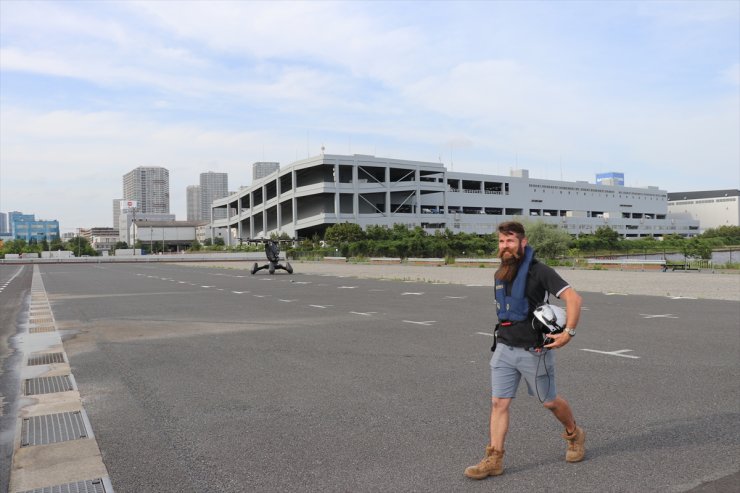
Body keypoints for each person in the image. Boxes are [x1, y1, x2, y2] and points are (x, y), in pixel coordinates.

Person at [464, 221, 585, 480]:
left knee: (550, 402)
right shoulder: (502, 272)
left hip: (534, 351)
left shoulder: (539, 271)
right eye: (501, 241)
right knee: (498, 403)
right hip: (505, 347)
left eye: (509, 241)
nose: (504, 246)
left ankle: (574, 434)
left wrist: (568, 333)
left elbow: (573, 298)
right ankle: (494, 459)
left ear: (523, 242)